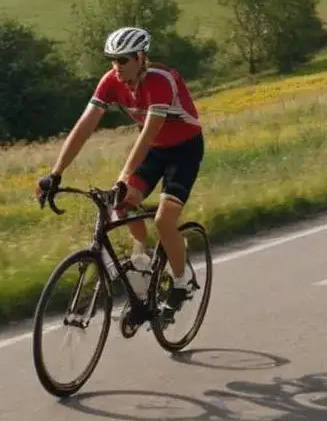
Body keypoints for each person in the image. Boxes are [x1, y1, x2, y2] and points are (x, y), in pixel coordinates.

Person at [35, 25, 203, 314]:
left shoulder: (161, 81)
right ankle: (143, 259)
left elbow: (148, 134)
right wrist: (56, 172)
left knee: (164, 220)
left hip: (184, 150)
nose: (116, 66)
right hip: (155, 151)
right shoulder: (111, 81)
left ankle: (181, 282)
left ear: (140, 57)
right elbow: (84, 127)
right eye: (112, 60)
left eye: (123, 60)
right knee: (119, 204)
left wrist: (124, 177)